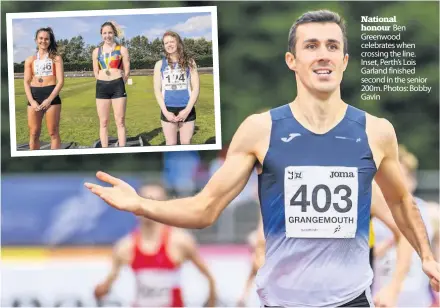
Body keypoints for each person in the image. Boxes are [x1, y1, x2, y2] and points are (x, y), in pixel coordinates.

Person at [85, 10, 440, 307]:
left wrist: (426, 255)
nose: (323, 54)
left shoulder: (376, 131)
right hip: (281, 301)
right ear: (292, 60)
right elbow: (204, 209)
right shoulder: (260, 130)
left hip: (351, 299)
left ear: (344, 61)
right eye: (311, 45)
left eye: (333, 46)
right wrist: (140, 204)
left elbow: (400, 201)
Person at [237, 181, 414, 307]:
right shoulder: (285, 180)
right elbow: (261, 244)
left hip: (349, 297)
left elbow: (405, 231)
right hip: (290, 297)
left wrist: (393, 288)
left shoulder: (362, 183)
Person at [93, 183, 217, 307]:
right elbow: (107, 284)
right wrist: (100, 291)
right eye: (145, 200)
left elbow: (209, 277)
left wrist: (211, 302)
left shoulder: (180, 241)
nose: (149, 207)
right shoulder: (125, 246)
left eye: (155, 201)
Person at [372, 145, 438, 307]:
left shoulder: (432, 213)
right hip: (380, 298)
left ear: (413, 179)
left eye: (403, 176)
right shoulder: (374, 213)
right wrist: (387, 245)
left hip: (418, 300)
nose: (398, 182)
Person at [153, 31, 199, 145]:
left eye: (171, 41)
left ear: (178, 42)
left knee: (186, 142)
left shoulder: (190, 62)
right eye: (166, 43)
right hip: (168, 109)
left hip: (186, 108)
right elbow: (157, 90)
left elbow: (196, 88)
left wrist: (187, 110)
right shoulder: (159, 64)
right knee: (170, 143)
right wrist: (165, 112)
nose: (169, 44)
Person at [23, 27, 64, 150]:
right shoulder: (30, 60)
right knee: (34, 133)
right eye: (41, 38)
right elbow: (26, 82)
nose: (43, 41)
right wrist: (32, 101)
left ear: (50, 41)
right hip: (34, 96)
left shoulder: (56, 58)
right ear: (36, 40)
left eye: (46, 39)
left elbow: (61, 81)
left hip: (51, 97)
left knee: (53, 132)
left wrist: (49, 100)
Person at [92, 21, 130, 147]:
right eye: (104, 33)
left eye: (110, 32)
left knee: (120, 121)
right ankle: (105, 150)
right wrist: (103, 80)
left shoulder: (122, 49)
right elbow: (96, 72)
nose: (107, 35)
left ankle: (123, 150)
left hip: (118, 86)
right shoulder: (96, 51)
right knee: (103, 122)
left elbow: (127, 71)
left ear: (114, 33)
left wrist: (118, 81)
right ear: (101, 35)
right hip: (102, 87)